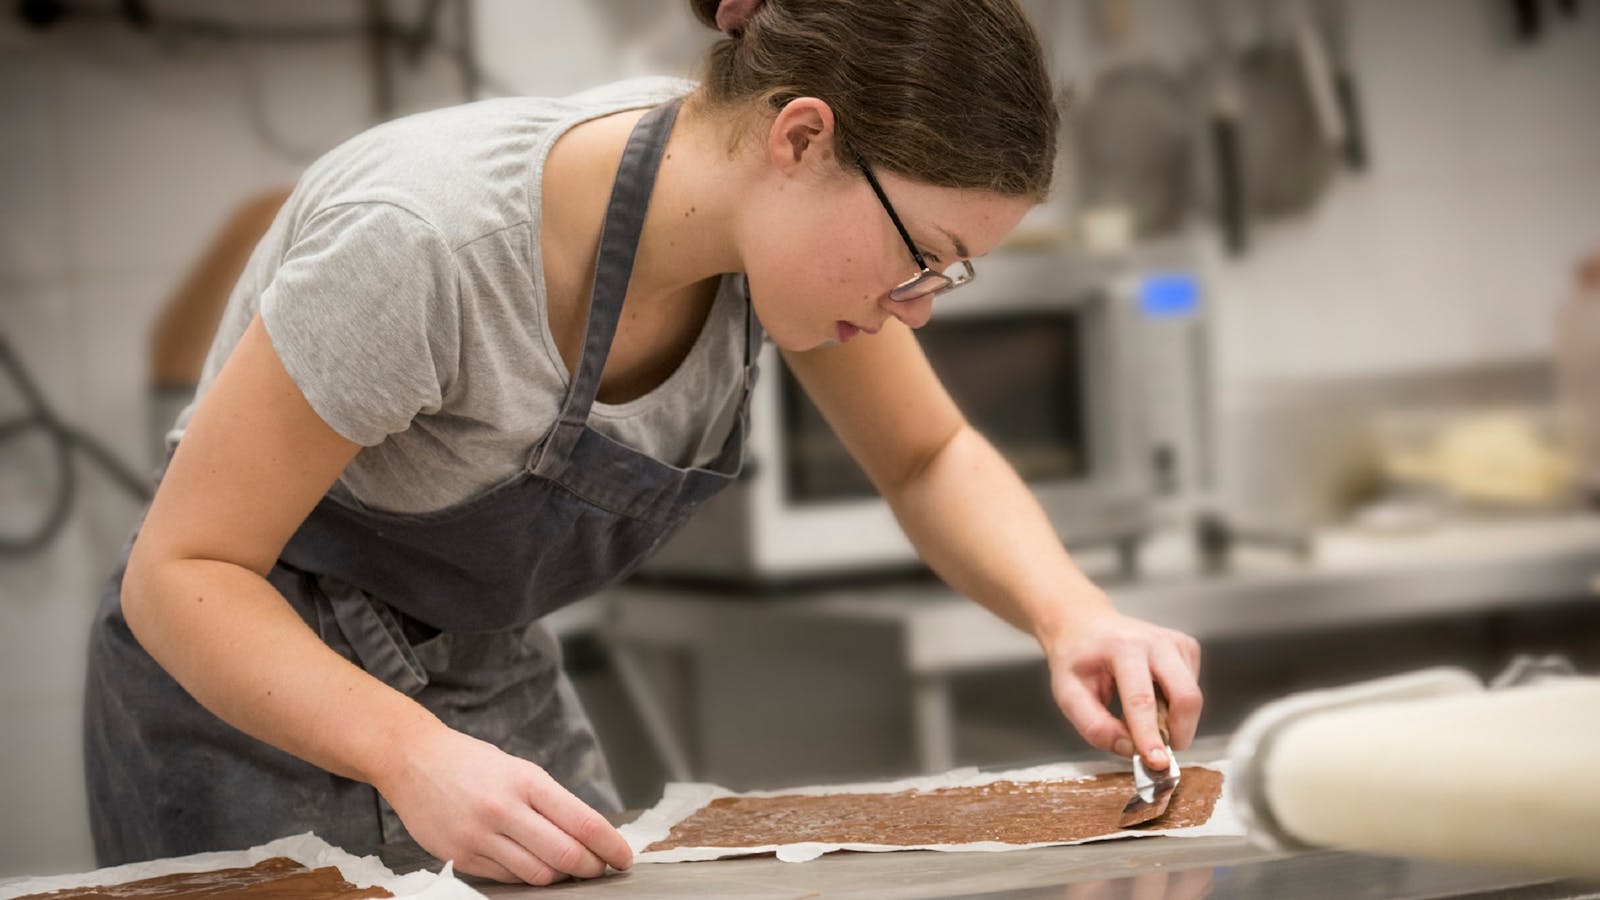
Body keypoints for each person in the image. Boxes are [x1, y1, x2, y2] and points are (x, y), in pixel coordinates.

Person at [84, 0, 1204, 886]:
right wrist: (407, 751)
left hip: (483, 661)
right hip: (253, 672)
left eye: (948, 276)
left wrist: (1073, 614)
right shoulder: (427, 245)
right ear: (800, 137)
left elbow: (927, 456)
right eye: (924, 256)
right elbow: (181, 573)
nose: (917, 309)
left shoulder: (765, 237)